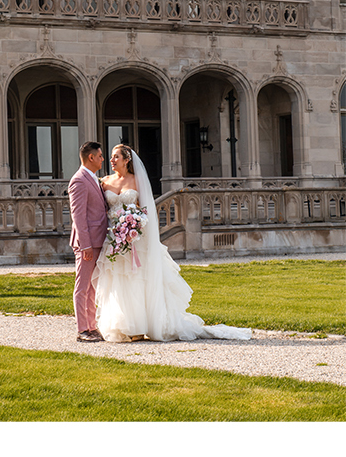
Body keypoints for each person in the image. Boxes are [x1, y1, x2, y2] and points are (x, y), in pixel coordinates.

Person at [95, 144, 252, 343]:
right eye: (111, 157)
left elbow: (146, 210)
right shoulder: (104, 182)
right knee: (118, 281)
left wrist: (135, 225)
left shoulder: (137, 181)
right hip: (115, 239)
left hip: (136, 239)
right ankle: (123, 324)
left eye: (116, 156)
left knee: (137, 280)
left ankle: (140, 326)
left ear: (127, 160)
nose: (112, 160)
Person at [67, 141, 109, 343]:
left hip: (99, 241)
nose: (103, 159)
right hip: (87, 244)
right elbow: (78, 216)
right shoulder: (79, 181)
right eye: (100, 155)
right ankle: (82, 330)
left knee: (93, 287)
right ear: (91, 157)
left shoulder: (94, 179)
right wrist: (85, 246)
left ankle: (92, 327)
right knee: (82, 287)